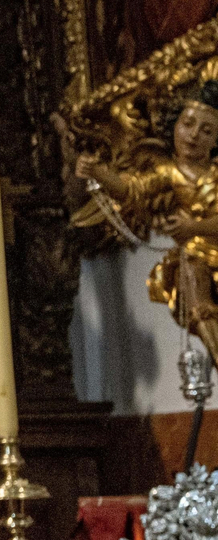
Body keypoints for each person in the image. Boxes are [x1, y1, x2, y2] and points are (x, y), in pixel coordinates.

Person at [73, 80, 218, 360]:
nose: (194, 135)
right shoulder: (167, 176)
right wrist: (100, 173)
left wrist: (193, 227)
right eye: (187, 124)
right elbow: (132, 191)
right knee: (192, 285)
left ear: (216, 141)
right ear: (174, 126)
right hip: (198, 260)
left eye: (207, 130)